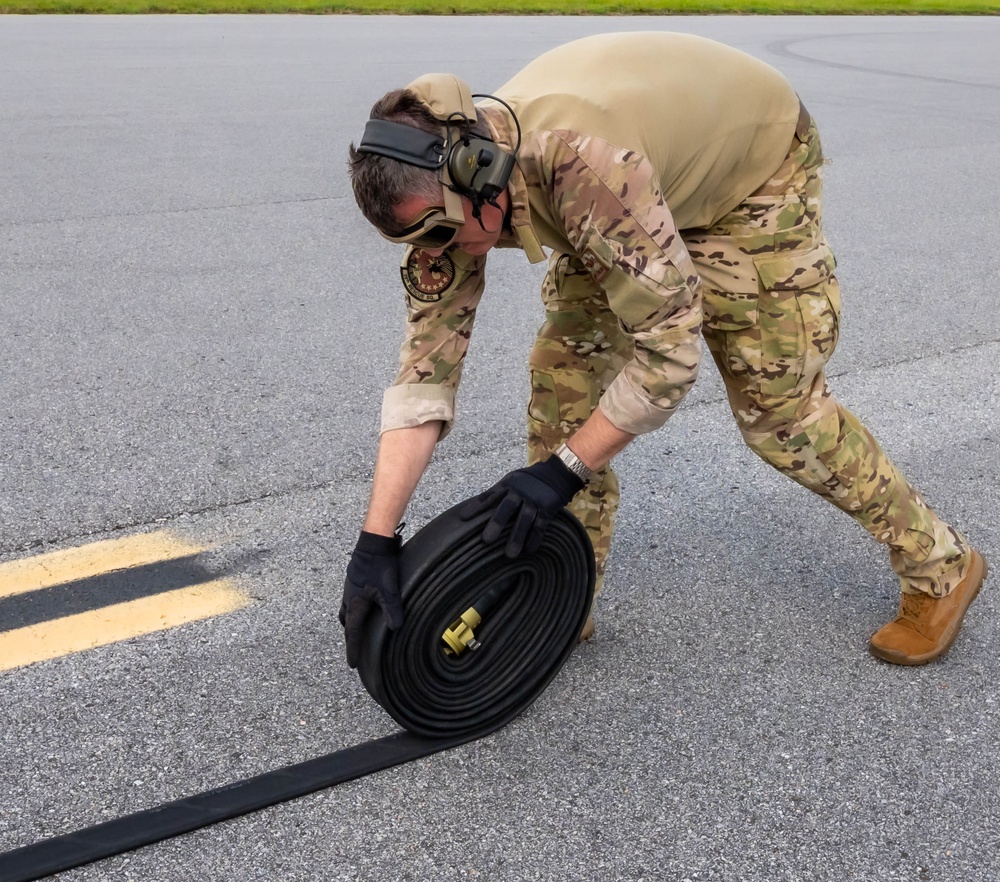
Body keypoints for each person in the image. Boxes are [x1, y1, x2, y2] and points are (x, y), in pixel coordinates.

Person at [339, 31, 987, 669]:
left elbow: (669, 357)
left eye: (447, 232)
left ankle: (941, 566)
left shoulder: (583, 170)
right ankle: (562, 595)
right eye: (422, 240)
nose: (440, 252)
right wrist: (375, 540)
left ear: (479, 167)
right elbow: (426, 370)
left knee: (780, 416)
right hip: (632, 184)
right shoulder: (449, 204)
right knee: (564, 383)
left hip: (749, 173)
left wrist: (560, 474)